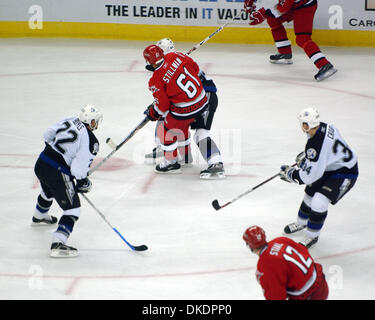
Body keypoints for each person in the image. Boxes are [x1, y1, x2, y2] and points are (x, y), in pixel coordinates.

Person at [143, 41, 225, 179]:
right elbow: (194, 67)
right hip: (204, 99)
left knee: (166, 128)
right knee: (200, 133)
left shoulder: (155, 80)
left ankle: (170, 162)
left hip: (188, 107)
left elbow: (163, 106)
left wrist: (153, 112)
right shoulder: (177, 55)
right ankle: (198, 159)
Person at [279, 107, 358, 248]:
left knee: (319, 201)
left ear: (309, 124)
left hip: (345, 172)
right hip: (332, 167)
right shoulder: (324, 127)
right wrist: (308, 160)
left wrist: (292, 174)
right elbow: (322, 155)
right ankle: (302, 222)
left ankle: (312, 236)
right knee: (310, 193)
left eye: (304, 124)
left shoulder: (316, 144)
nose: (303, 127)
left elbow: (309, 177)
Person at [32, 105, 103, 258]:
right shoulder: (91, 140)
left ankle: (39, 215)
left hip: (41, 162)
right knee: (73, 209)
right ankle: (58, 243)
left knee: (48, 190)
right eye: (95, 122)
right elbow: (78, 171)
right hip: (56, 172)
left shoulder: (71, 119)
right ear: (90, 122)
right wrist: (83, 182)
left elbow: (47, 134)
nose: (96, 125)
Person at [243, 0, 337, 81]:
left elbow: (283, 8)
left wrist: (263, 14)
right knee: (273, 20)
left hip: (305, 6)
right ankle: (285, 53)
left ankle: (324, 65)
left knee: (302, 38)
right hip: (294, 4)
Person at [243, 225, 329, 300]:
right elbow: (303, 250)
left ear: (249, 245)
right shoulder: (280, 240)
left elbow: (276, 296)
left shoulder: (264, 266)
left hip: (306, 295)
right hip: (320, 281)